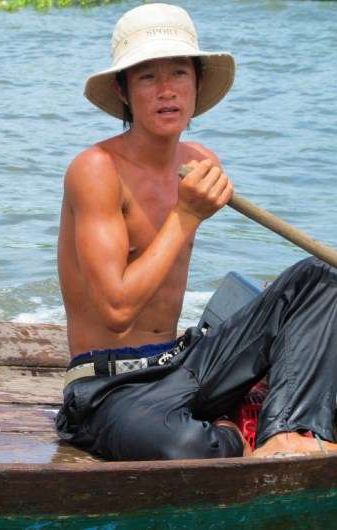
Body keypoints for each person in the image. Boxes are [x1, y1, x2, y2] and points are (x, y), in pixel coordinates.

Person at [56, 3, 337, 461]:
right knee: (185, 446)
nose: (166, 90)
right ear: (122, 90)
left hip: (182, 364)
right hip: (110, 389)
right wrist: (186, 215)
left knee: (321, 277)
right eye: (147, 77)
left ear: (197, 84)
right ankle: (231, 432)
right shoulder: (95, 170)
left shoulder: (201, 160)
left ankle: (288, 431)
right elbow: (116, 309)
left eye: (179, 74)